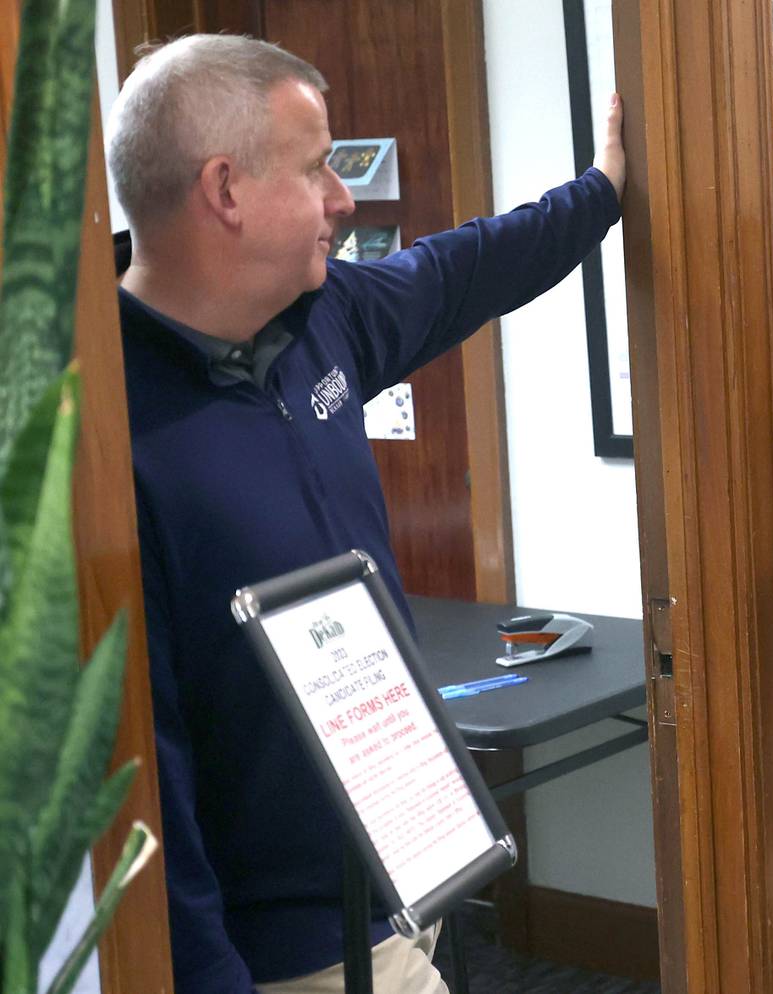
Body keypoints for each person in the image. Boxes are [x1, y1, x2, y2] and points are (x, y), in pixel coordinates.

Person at [106, 34, 625, 994]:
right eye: (316, 170)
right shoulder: (104, 433)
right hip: (283, 955)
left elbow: (463, 270)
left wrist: (602, 190)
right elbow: (139, 779)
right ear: (224, 189)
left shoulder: (321, 315)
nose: (343, 200)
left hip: (406, 882)